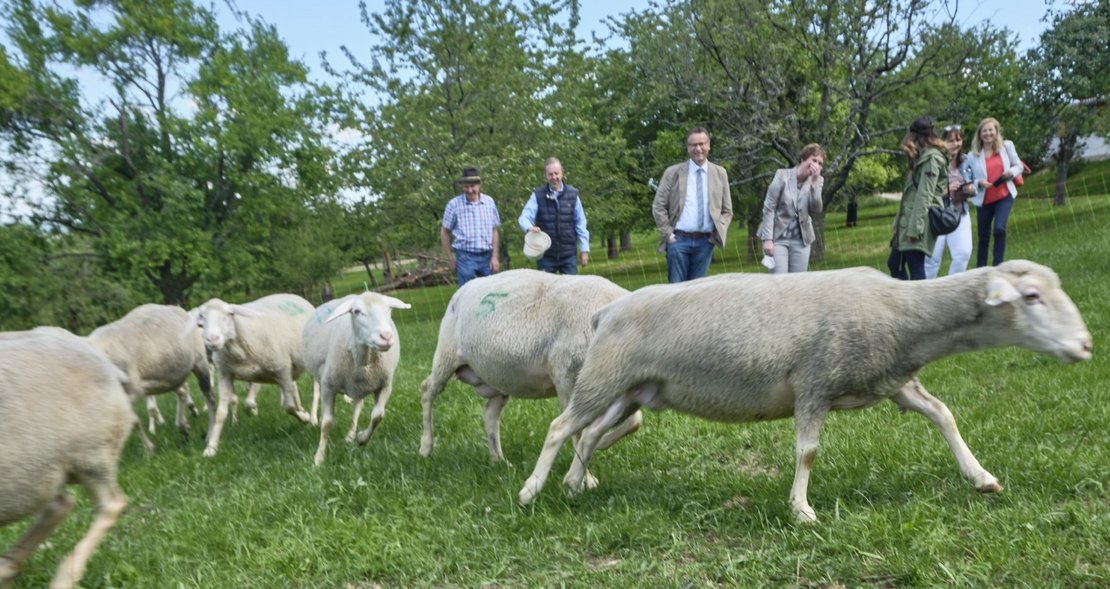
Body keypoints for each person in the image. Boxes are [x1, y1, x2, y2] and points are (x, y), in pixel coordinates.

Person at [652, 127, 733, 283]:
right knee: (676, 291)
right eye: (693, 145)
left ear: (709, 145)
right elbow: (658, 206)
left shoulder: (720, 173)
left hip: (705, 243)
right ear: (688, 147)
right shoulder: (673, 173)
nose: (698, 149)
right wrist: (668, 234)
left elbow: (727, 210)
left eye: (702, 144)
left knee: (698, 294)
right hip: (678, 241)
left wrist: (716, 236)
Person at [888, 117, 946, 281]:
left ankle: (920, 305)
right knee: (894, 264)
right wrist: (897, 222)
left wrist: (915, 228)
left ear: (915, 136)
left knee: (916, 267)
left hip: (919, 222)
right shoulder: (921, 157)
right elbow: (908, 194)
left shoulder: (931, 160)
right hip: (907, 220)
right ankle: (905, 301)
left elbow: (924, 196)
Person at [757, 143, 825, 274]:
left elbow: (816, 209)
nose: (816, 165)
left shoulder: (817, 180)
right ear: (804, 158)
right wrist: (768, 240)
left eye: (820, 163)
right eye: (814, 160)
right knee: (780, 283)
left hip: (801, 241)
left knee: (798, 286)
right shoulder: (782, 176)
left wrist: (815, 184)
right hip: (777, 239)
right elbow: (768, 208)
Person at [517, 157, 589, 274]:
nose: (554, 177)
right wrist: (529, 227)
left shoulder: (573, 194)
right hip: (546, 255)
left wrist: (584, 250)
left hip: (568, 255)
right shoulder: (537, 195)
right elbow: (524, 217)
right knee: (544, 291)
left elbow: (580, 224)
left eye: (556, 173)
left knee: (571, 291)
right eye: (550, 174)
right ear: (546, 176)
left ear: (562, 173)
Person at [968, 117, 1022, 267]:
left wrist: (1010, 172)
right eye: (984, 131)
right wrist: (978, 183)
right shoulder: (972, 156)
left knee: (999, 228)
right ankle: (981, 270)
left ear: (996, 131)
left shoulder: (1007, 146)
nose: (988, 133)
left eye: (991, 130)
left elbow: (1019, 166)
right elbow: (968, 180)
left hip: (1004, 196)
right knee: (983, 237)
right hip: (984, 201)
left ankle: (998, 266)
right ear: (979, 134)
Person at [924, 125, 976, 279]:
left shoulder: (966, 160)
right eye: (951, 140)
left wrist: (970, 189)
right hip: (937, 214)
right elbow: (924, 190)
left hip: (960, 213)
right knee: (932, 259)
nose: (955, 144)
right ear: (942, 142)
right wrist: (946, 191)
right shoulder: (935, 160)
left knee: (963, 253)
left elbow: (974, 183)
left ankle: (951, 290)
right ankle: (926, 293)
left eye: (958, 140)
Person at [440, 167, 501, 286]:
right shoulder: (454, 204)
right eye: (466, 187)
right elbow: (444, 231)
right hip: (465, 257)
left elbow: (494, 231)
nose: (469, 190)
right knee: (466, 294)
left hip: (486, 256)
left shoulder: (489, 202)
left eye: (472, 186)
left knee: (490, 293)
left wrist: (495, 257)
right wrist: (450, 258)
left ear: (479, 185)